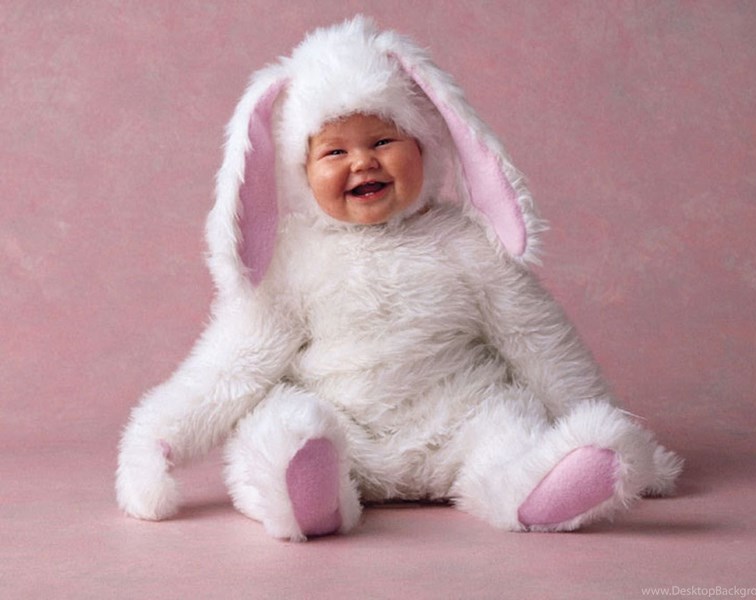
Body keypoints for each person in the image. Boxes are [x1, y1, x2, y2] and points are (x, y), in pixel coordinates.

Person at [116, 16, 682, 542]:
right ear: (300, 172)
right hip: (343, 430)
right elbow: (233, 363)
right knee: (277, 423)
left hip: (460, 419)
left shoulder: (468, 245)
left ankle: (537, 487)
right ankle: (309, 486)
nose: (362, 162)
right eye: (334, 150)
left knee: (510, 428)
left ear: (425, 146)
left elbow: (539, 342)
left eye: (383, 141)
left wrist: (622, 433)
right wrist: (159, 439)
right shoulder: (293, 261)